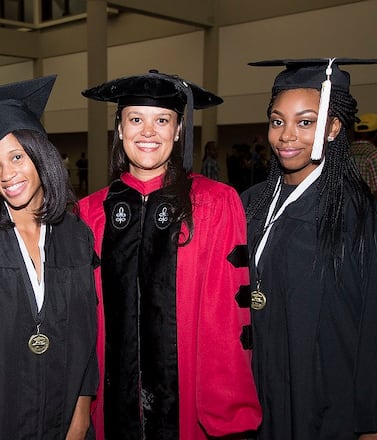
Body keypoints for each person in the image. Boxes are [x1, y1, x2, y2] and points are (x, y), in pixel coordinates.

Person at [243, 58, 377, 439]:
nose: (286, 136)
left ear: (333, 127)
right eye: (277, 121)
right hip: (256, 392)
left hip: (327, 400)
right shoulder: (250, 203)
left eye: (305, 122)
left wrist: (376, 430)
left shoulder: (367, 217)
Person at [78, 70, 262, 439]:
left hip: (189, 412)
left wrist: (227, 415)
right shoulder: (91, 212)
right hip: (112, 410)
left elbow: (226, 318)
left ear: (178, 130)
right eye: (136, 119)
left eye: (162, 120)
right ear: (119, 128)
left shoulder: (214, 203)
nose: (148, 132)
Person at [0, 76, 98, 439]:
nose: (7, 174)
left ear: (41, 154)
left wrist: (80, 418)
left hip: (61, 413)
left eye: (16, 156)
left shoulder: (76, 236)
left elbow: (85, 336)